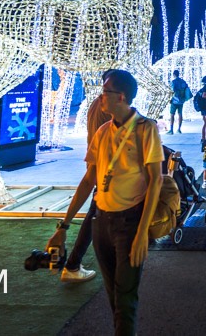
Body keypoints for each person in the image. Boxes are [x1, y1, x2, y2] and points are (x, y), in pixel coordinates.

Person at [48, 69, 163, 336]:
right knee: (114, 295)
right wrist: (63, 227)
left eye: (105, 92)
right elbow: (89, 181)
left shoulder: (146, 129)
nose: (101, 97)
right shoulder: (102, 132)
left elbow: (155, 180)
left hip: (130, 222)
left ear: (121, 97)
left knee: (125, 298)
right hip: (102, 221)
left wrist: (142, 232)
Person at [59, 91, 110, 283]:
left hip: (98, 169)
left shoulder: (97, 104)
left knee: (94, 213)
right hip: (105, 173)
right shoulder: (108, 117)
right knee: (94, 214)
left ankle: (73, 264)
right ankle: (73, 264)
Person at [168, 70, 190, 135]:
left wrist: (170, 99)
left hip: (174, 101)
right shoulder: (183, 82)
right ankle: (179, 129)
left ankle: (171, 130)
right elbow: (187, 89)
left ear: (174, 74)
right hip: (181, 101)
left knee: (172, 115)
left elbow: (172, 91)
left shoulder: (173, 82)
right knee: (180, 114)